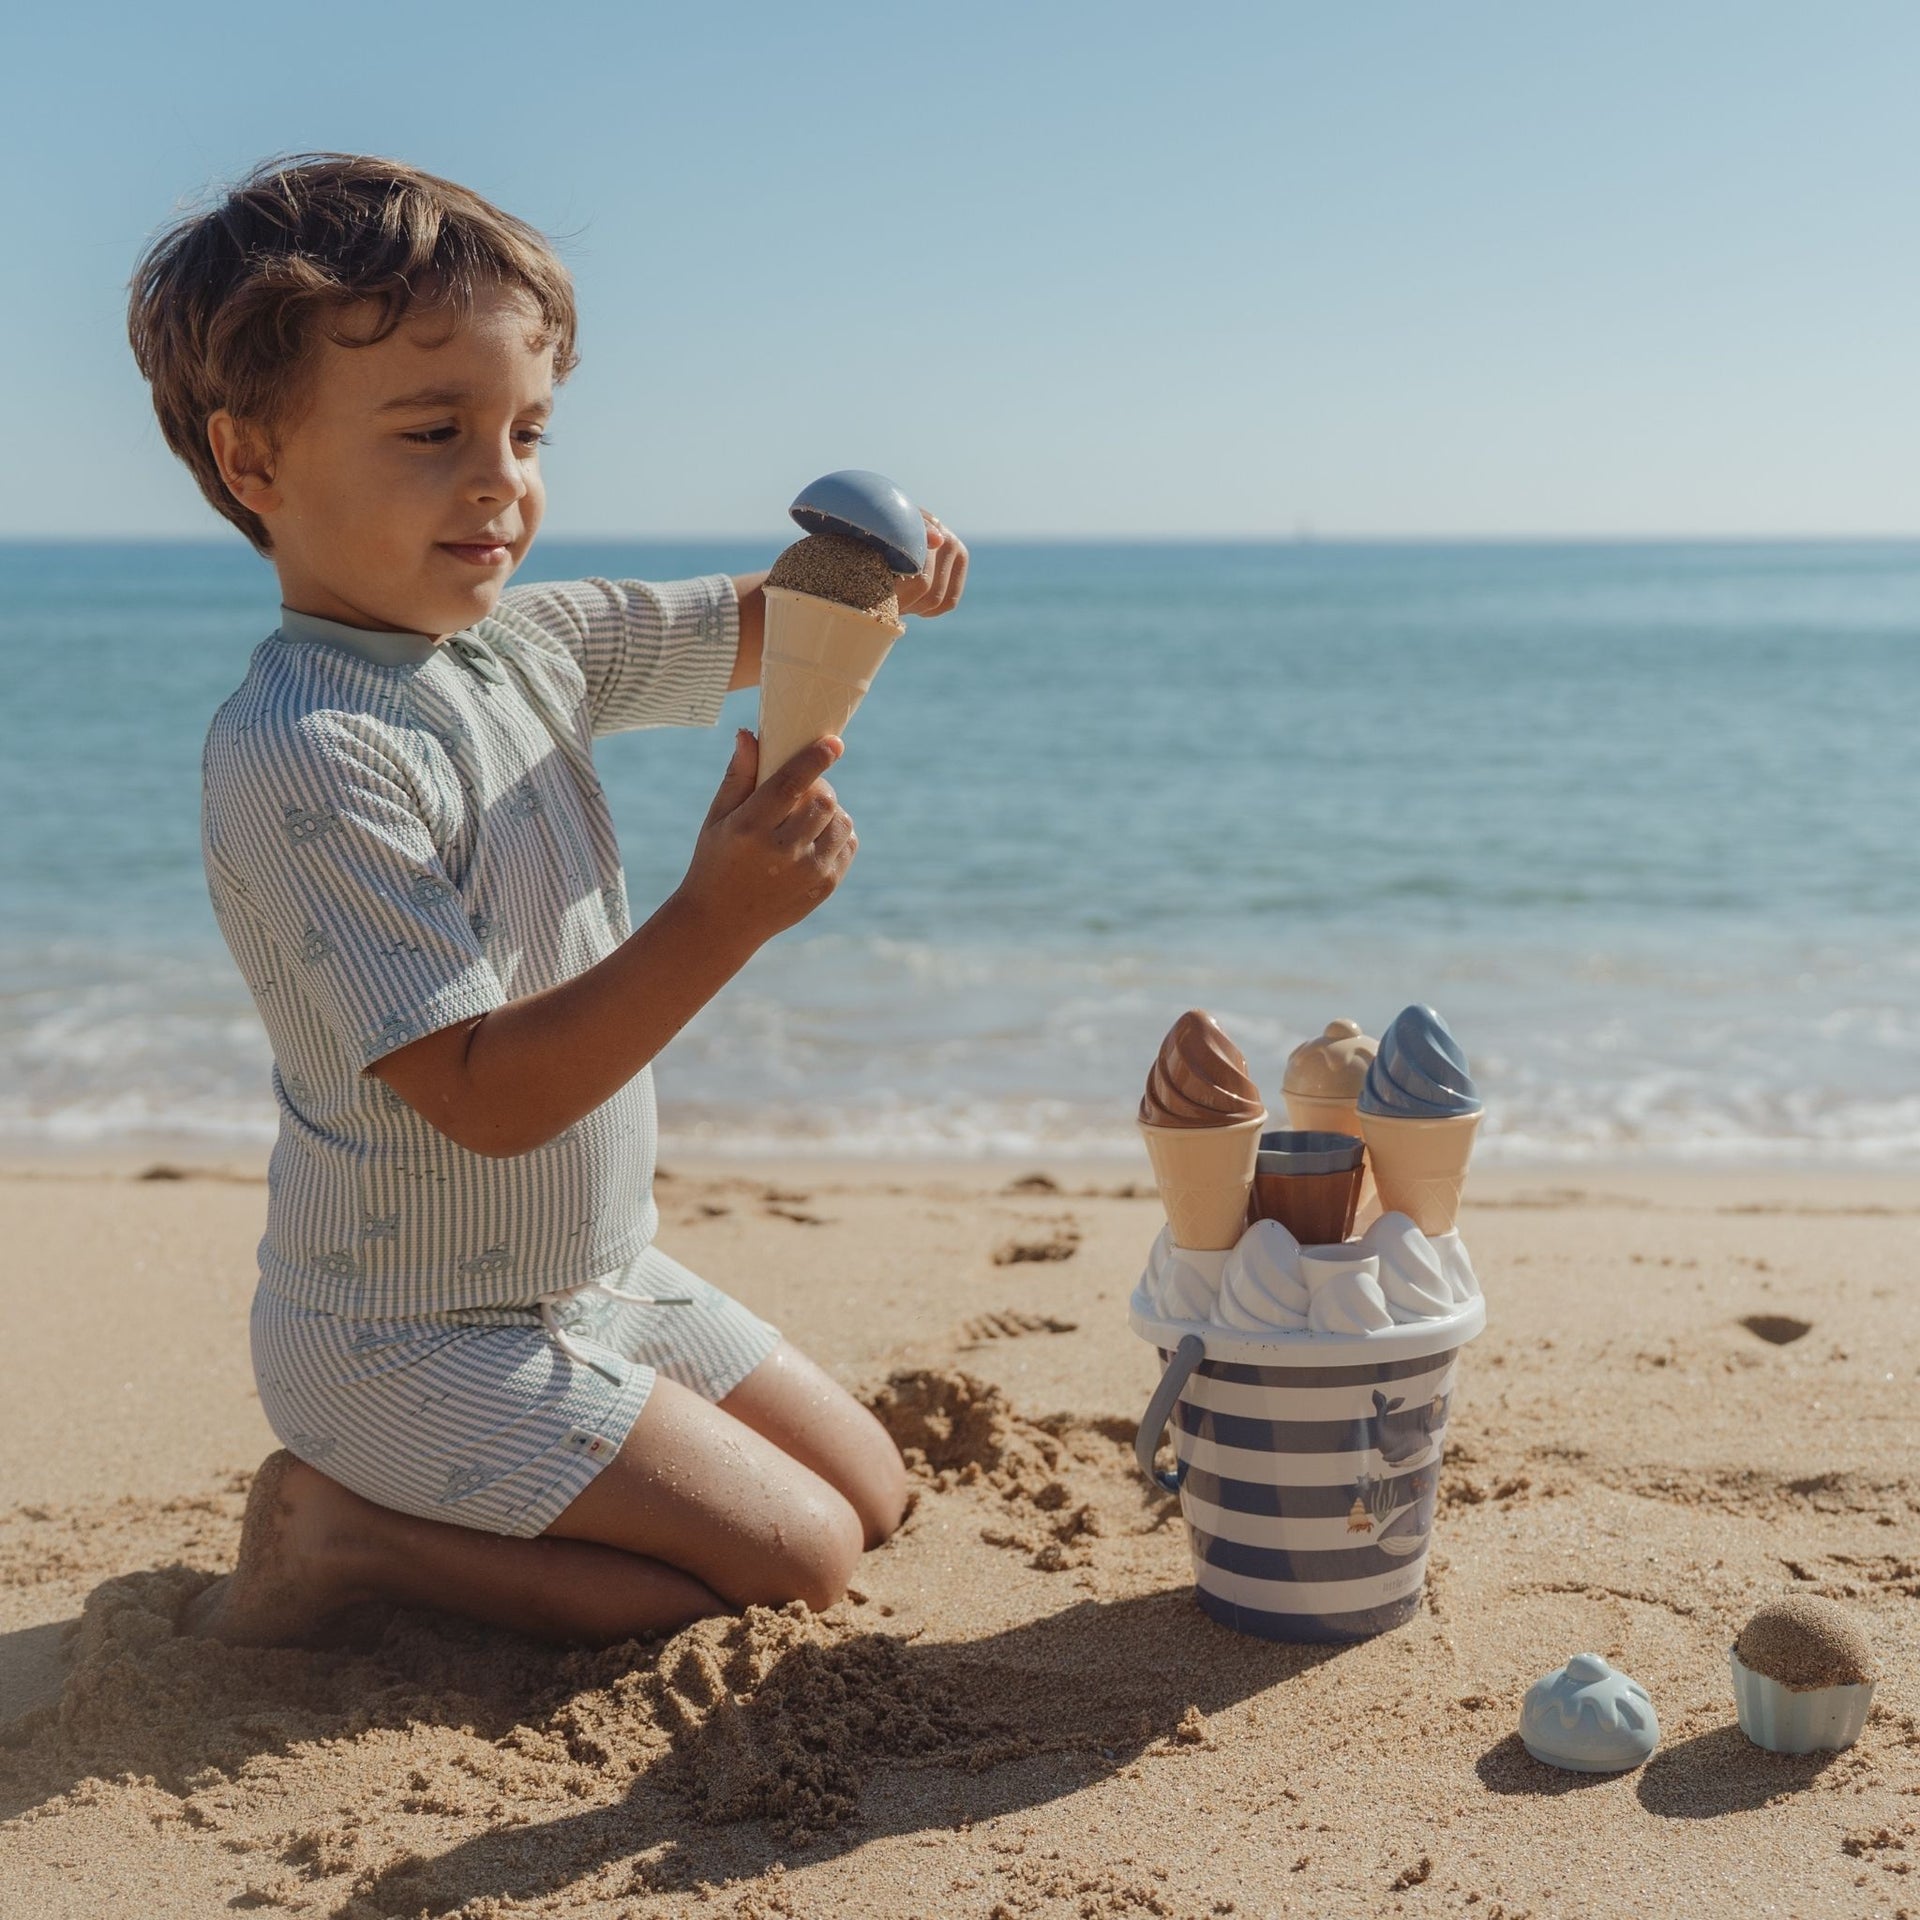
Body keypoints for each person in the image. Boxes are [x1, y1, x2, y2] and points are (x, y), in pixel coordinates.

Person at [126, 152, 968, 1646]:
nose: (500, 479)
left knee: (874, 1492)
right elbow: (483, 1097)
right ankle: (344, 1538)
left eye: (527, 430)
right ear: (252, 462)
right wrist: (717, 920)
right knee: (804, 1566)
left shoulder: (534, 645)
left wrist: (876, 576)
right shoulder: (309, 750)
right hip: (407, 1339)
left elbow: (776, 621)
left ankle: (446, 1509)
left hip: (592, 1274)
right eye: (434, 431)